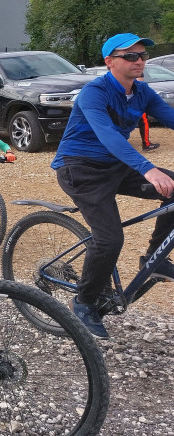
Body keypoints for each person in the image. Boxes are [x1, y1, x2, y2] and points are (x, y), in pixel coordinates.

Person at [51, 32, 174, 339]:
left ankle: (155, 259)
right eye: (130, 56)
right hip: (80, 169)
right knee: (109, 239)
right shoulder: (94, 92)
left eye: (142, 55)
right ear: (109, 62)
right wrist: (148, 169)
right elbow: (109, 136)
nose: (139, 61)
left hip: (115, 166)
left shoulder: (143, 92)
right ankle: (84, 302)